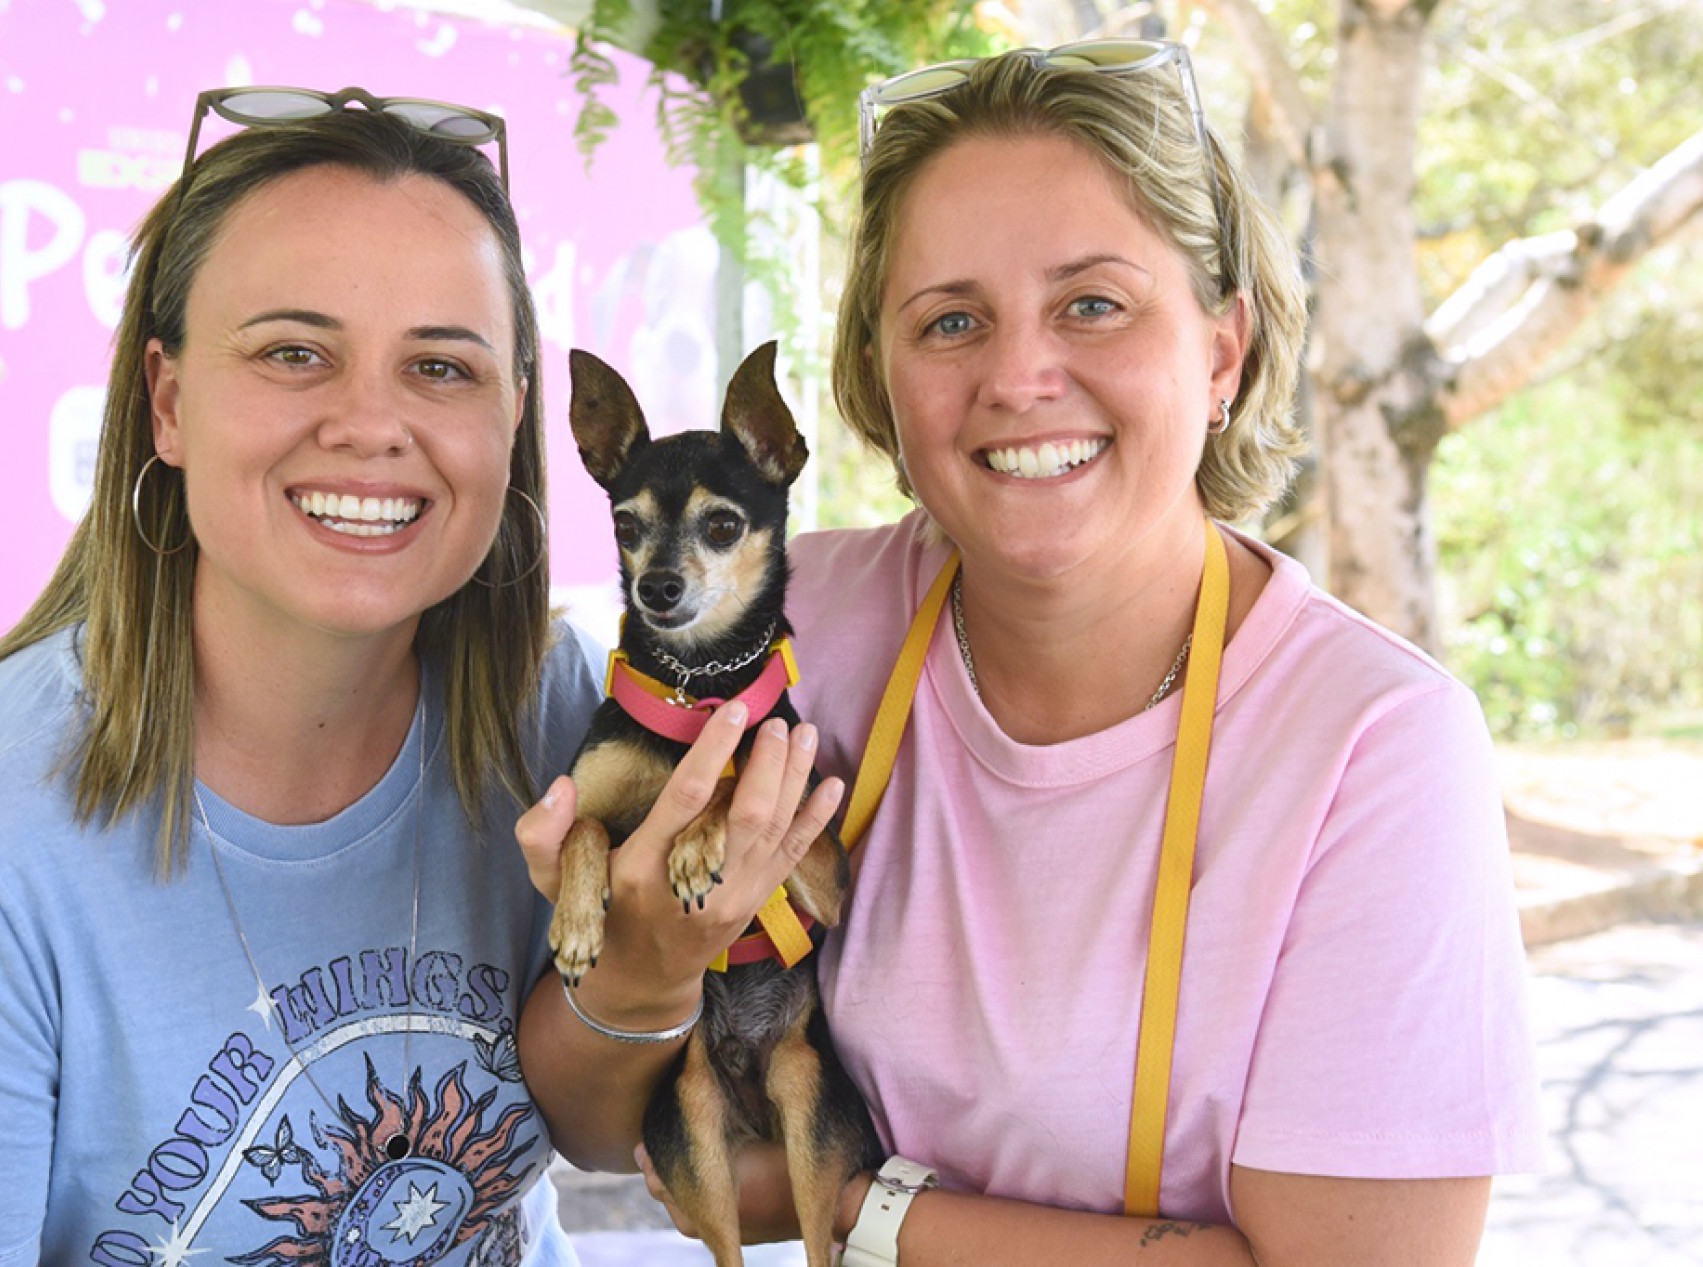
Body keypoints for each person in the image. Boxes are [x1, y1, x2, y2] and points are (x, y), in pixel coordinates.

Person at [517, 41, 1541, 1265]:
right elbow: (589, 1123)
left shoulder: (1370, 747)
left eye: (1092, 304)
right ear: (880, 382)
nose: (1017, 376)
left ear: (1221, 352)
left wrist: (854, 1205)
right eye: (950, 320)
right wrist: (639, 967)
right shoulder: (795, 634)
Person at [0, 87, 832, 1266]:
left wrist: (654, 970)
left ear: (513, 424)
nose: (368, 423)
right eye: (295, 353)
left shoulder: (551, 713)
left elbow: (594, 1133)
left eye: (441, 368)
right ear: (170, 402)